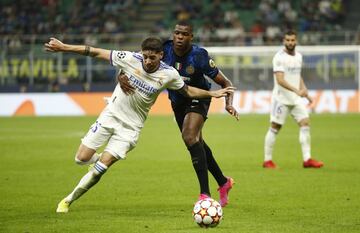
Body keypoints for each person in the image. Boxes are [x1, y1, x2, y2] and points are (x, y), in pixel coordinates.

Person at [44, 37, 234, 213]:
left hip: (130, 129)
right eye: (145, 56)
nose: (148, 61)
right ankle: (99, 158)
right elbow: (94, 51)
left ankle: (67, 200)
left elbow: (187, 91)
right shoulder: (129, 58)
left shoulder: (169, 74)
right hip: (109, 116)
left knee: (101, 168)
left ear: (161, 55)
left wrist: (211, 94)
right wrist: (64, 47)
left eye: (153, 57)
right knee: (81, 159)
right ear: (140, 53)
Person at [118, 21, 239, 207]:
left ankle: (204, 194)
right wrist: (121, 76)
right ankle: (223, 182)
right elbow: (134, 61)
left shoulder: (199, 56)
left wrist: (228, 104)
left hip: (199, 97)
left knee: (189, 136)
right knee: (196, 143)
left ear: (192, 37)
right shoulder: (163, 50)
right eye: (177, 33)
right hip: (177, 102)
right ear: (173, 34)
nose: (180, 37)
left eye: (184, 34)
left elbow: (226, 83)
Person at [263, 30, 324, 169]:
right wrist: (297, 90)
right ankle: (267, 160)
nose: (290, 43)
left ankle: (307, 159)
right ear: (284, 41)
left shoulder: (299, 57)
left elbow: (297, 76)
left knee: (305, 123)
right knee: (275, 127)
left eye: (292, 40)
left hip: (295, 99)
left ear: (296, 41)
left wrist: (305, 91)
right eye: (288, 40)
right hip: (281, 99)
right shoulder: (279, 57)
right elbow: (280, 80)